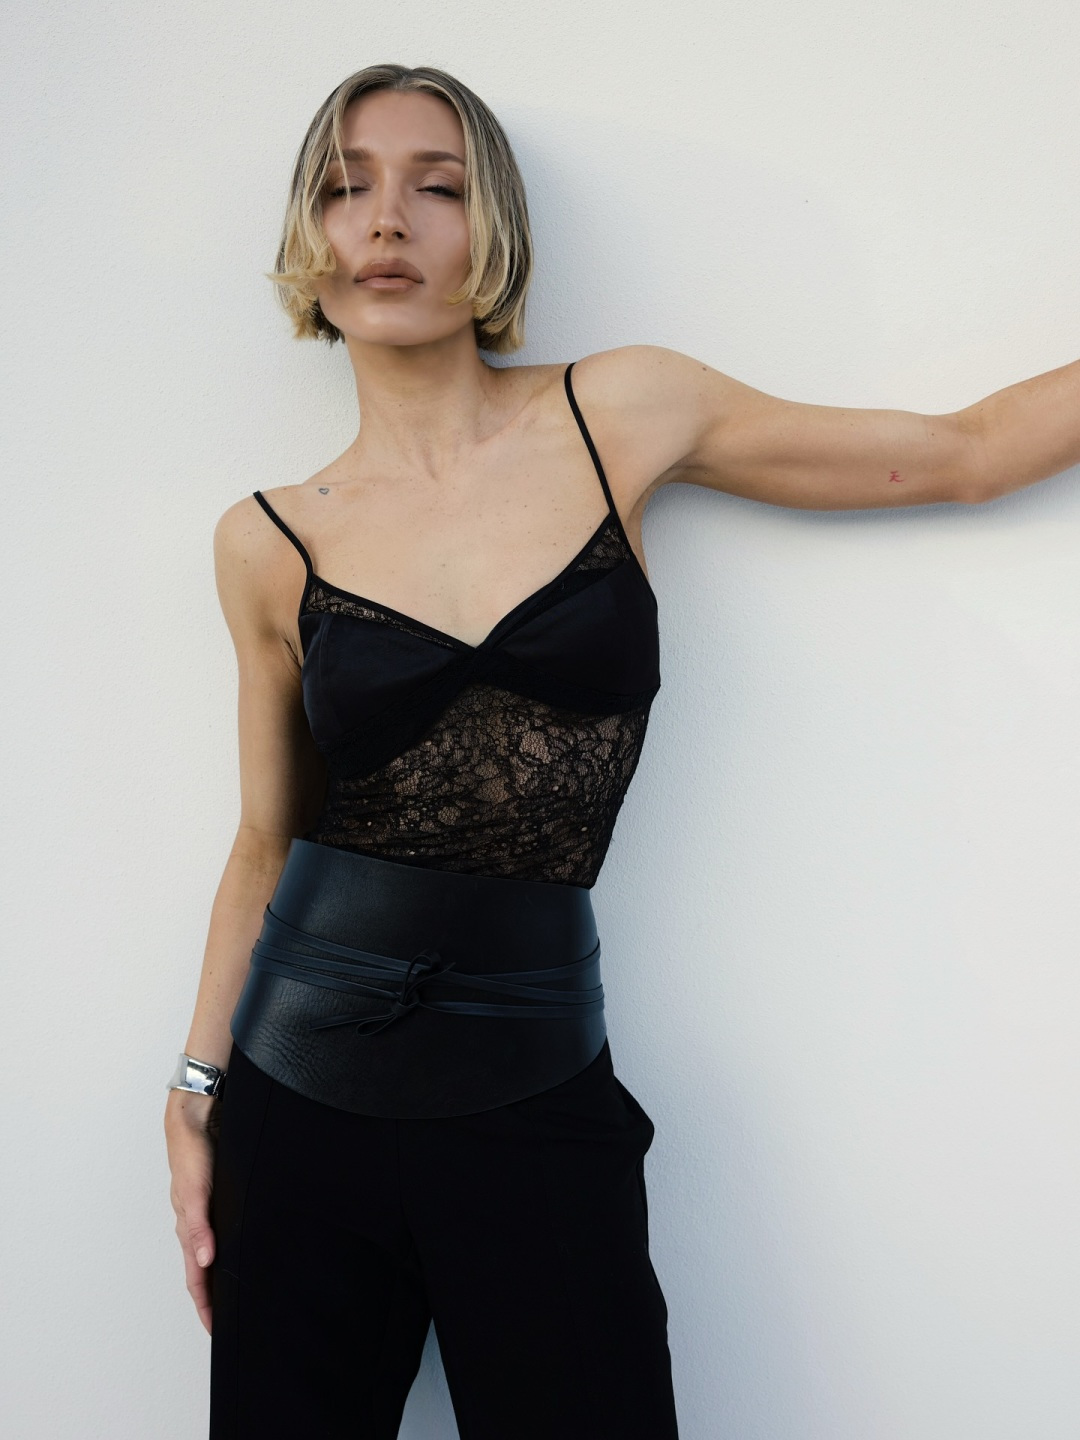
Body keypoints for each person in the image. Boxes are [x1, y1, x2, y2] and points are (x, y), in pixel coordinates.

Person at [163, 61, 1080, 1440]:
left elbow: (967, 453)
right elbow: (261, 842)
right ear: (310, 232)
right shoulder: (267, 540)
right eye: (347, 187)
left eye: (437, 186)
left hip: (536, 1086)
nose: (387, 221)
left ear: (495, 229)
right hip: (299, 1099)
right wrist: (195, 1090)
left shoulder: (619, 415)